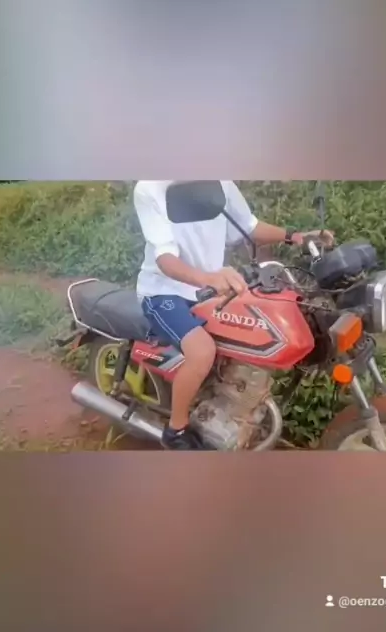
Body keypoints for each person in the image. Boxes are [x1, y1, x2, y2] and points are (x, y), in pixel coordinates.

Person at [134, 180, 334, 450]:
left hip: (211, 289)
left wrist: (296, 236)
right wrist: (208, 278)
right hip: (165, 291)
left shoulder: (221, 181)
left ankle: (229, 404)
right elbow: (165, 258)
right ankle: (176, 430)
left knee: (252, 329)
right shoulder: (151, 188)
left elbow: (249, 226)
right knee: (202, 352)